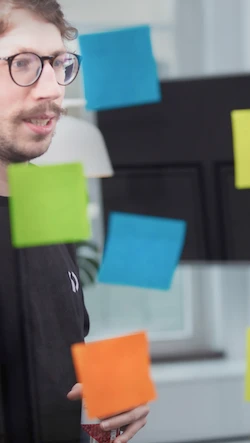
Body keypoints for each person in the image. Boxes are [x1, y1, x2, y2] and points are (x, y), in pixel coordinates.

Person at [0, 1, 149, 442]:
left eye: (60, 64)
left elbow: (53, 351)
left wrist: (114, 392)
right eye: (22, 63)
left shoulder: (46, 200)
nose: (52, 90)